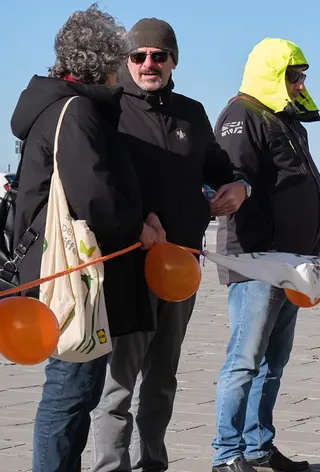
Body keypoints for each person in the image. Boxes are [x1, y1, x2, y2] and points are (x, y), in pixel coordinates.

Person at [89, 18, 249, 472]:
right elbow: (95, 182)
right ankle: (110, 466)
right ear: (126, 59)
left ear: (173, 60)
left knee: (162, 377)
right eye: (139, 55)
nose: (148, 64)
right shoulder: (107, 109)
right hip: (127, 264)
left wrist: (239, 187)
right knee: (119, 383)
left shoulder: (192, 112)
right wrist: (135, 222)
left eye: (158, 55)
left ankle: (154, 462)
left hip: (182, 262)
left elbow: (219, 167)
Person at [10, 6, 159, 472]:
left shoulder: (58, 106)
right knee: (70, 388)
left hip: (61, 265)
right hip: (75, 274)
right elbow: (95, 196)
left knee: (77, 383)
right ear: (105, 61)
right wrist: (141, 229)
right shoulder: (76, 111)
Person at [211, 38, 320, 472]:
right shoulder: (241, 114)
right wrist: (239, 188)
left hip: (295, 260)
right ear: (272, 74)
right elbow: (234, 172)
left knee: (273, 362)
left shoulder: (287, 121)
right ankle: (226, 455)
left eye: (303, 77)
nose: (300, 85)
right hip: (257, 258)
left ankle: (259, 445)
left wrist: (318, 242)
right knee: (244, 359)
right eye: (293, 76)